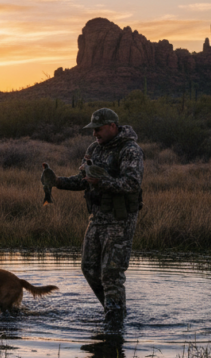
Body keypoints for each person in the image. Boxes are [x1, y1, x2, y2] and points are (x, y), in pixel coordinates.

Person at [45, 108, 143, 321]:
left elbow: (132, 183)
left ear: (112, 126)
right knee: (89, 268)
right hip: (97, 219)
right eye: (92, 130)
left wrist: (102, 182)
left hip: (120, 220)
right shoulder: (94, 149)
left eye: (98, 129)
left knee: (111, 274)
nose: (94, 134)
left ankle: (115, 320)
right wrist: (58, 182)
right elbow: (83, 180)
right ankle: (113, 310)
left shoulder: (130, 150)